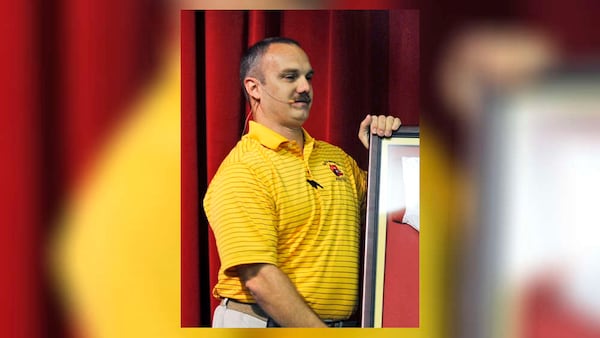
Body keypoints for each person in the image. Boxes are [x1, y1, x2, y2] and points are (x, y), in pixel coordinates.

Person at [203, 37, 401, 328]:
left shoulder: (338, 160)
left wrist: (387, 153)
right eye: (289, 77)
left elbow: (392, 221)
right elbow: (259, 277)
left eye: (308, 77)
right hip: (263, 323)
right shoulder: (242, 169)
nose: (305, 87)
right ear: (253, 88)